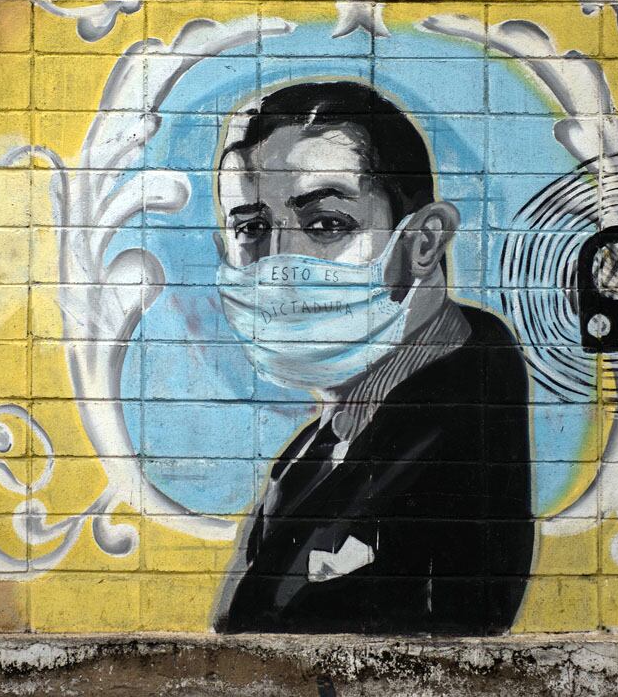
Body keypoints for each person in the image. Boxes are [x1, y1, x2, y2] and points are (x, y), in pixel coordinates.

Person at [212, 81, 535, 634]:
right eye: (251, 228)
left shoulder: (463, 438)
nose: (279, 263)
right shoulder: (317, 448)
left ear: (424, 243)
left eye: (327, 224)